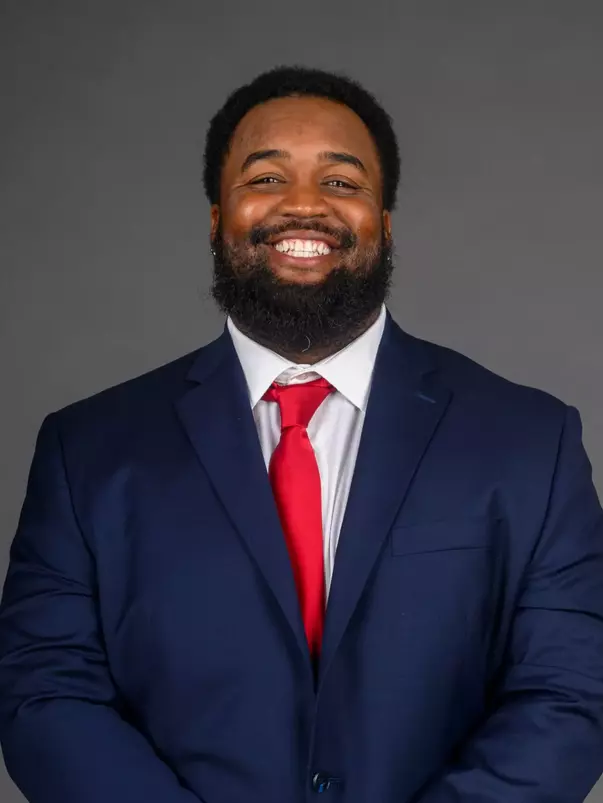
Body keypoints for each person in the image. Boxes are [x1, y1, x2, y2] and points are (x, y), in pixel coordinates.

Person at [1, 65, 602, 803]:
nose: (304, 206)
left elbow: (569, 695)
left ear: (384, 222)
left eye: (342, 183)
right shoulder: (85, 451)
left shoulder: (528, 442)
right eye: (266, 178)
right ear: (217, 218)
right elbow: (44, 691)